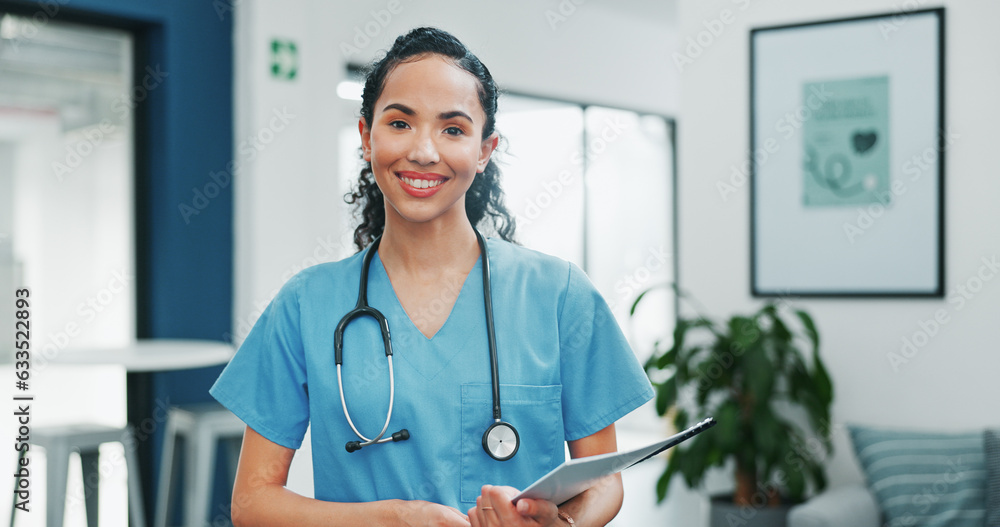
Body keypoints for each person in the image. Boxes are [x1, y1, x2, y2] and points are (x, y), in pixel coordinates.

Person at [210, 27, 654, 527]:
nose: (423, 151)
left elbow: (603, 479)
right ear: (365, 137)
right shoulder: (304, 304)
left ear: (485, 150)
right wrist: (394, 519)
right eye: (399, 123)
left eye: (453, 129)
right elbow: (251, 502)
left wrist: (564, 525)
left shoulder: (558, 295)